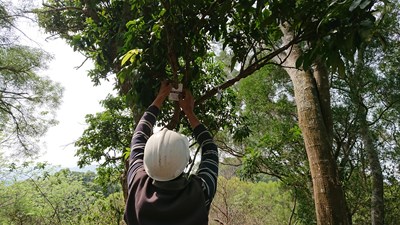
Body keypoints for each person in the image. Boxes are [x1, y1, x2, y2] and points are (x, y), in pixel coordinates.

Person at [124, 81, 219, 225]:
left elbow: (138, 137)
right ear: (186, 161)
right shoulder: (200, 192)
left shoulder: (138, 184)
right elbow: (210, 149)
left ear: (147, 159)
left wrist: (160, 97)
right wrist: (189, 112)